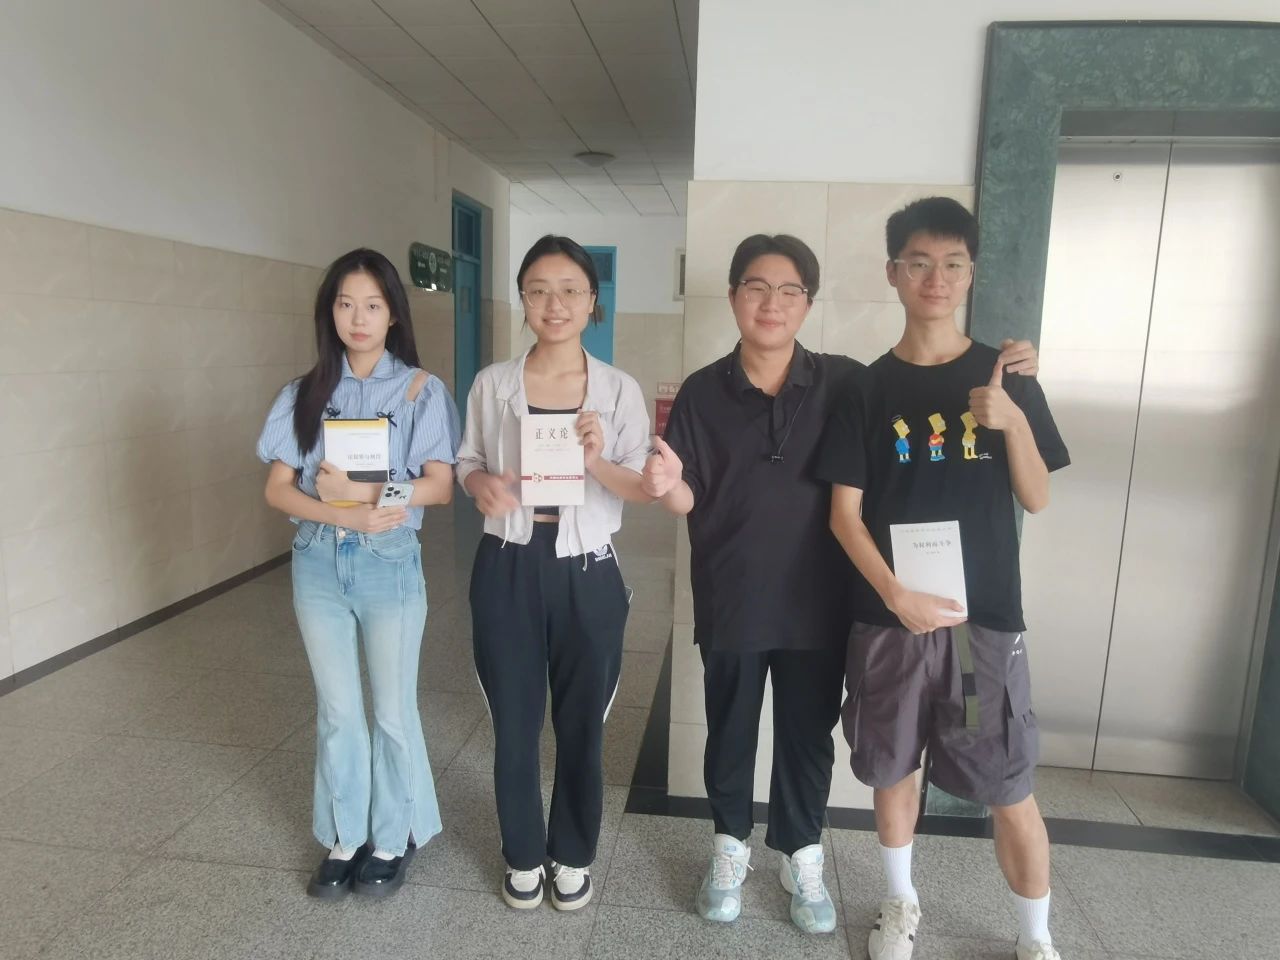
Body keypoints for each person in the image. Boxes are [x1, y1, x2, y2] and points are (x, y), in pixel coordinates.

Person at [641, 233, 1042, 934]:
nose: (771, 303)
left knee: (807, 736)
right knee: (729, 731)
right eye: (756, 288)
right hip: (733, 595)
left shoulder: (846, 382)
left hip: (820, 605)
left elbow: (927, 392)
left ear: (808, 303)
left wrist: (1014, 368)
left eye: (788, 290)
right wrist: (667, 485)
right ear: (734, 296)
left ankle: (801, 854)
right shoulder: (702, 390)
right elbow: (686, 494)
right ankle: (729, 848)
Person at [818, 196, 1070, 960]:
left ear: (971, 273)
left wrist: (1012, 418)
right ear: (893, 272)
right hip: (889, 618)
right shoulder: (864, 389)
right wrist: (894, 593)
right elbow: (844, 516)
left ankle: (1036, 938)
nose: (937, 278)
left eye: (953, 264)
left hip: (981, 620)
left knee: (1008, 783)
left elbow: (1037, 496)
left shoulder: (1008, 377)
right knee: (892, 768)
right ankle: (900, 904)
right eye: (920, 263)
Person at [456, 235, 651, 911]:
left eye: (570, 290)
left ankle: (571, 852)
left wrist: (597, 461)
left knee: (582, 724)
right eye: (538, 290)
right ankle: (521, 854)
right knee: (514, 723)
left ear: (593, 301)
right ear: (523, 300)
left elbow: (640, 485)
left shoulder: (619, 390)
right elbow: (466, 460)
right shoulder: (492, 384)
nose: (555, 303)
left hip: (587, 568)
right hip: (508, 563)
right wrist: (478, 483)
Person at [257, 248, 459, 900]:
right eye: (346, 304)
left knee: (393, 711)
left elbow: (440, 487)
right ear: (331, 312)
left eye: (373, 304)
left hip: (389, 563)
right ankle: (346, 836)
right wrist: (335, 510)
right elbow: (278, 490)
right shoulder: (303, 394)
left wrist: (370, 497)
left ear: (394, 313)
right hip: (317, 559)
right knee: (339, 710)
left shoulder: (420, 391)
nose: (358, 317)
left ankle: (393, 836)